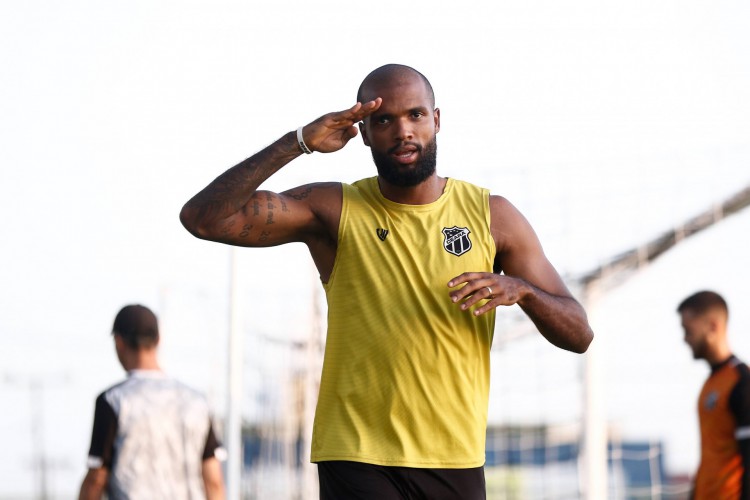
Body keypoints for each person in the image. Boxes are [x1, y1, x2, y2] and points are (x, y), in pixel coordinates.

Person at [180, 64, 594, 499]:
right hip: (356, 455)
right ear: (363, 131)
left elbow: (579, 333)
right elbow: (203, 218)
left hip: (453, 458)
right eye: (383, 120)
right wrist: (299, 142)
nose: (403, 131)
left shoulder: (493, 216)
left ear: (436, 120)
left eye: (415, 115)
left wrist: (524, 291)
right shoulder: (334, 208)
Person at [78, 304, 226, 500]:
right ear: (158, 340)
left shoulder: (114, 401)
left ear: (119, 342)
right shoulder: (196, 402)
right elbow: (213, 481)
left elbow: (96, 479)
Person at [678, 290, 750, 499]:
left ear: (713, 326)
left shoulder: (742, 382)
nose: (685, 339)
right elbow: (710, 457)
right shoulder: (710, 384)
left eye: (688, 330)